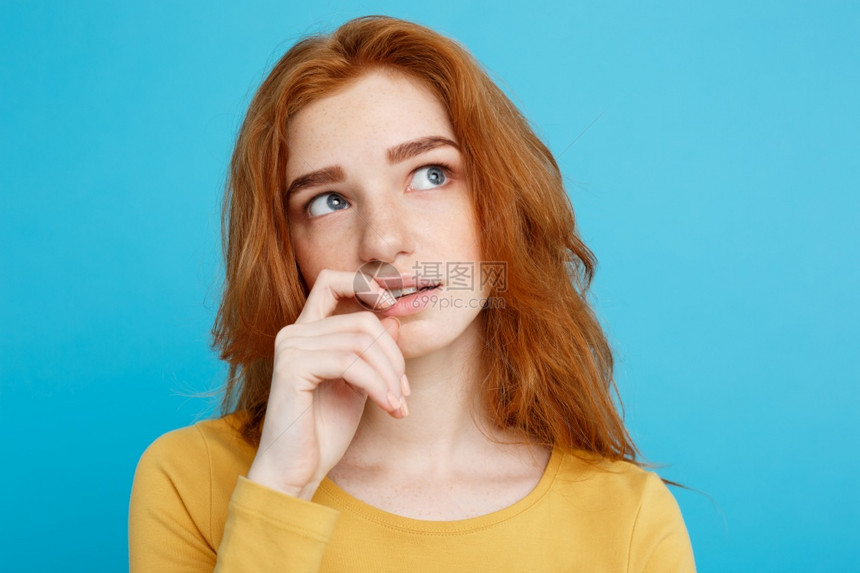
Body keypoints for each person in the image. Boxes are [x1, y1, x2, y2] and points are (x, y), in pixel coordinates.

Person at [129, 15, 696, 572]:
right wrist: (282, 488)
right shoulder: (189, 480)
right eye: (329, 201)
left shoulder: (629, 521)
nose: (383, 241)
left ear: (502, 202)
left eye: (430, 174)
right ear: (288, 252)